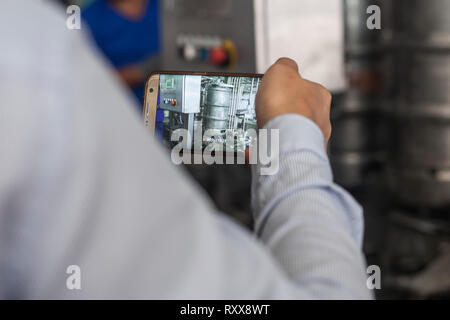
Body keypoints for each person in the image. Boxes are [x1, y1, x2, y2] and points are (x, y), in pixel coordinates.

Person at [0, 0, 371, 299]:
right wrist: (293, 134)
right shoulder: (45, 50)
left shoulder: (152, 13)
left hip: (171, 138)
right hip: (132, 156)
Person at [82, 0, 161, 106]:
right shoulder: (88, 19)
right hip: (121, 112)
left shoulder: (167, 8)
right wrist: (140, 72)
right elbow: (87, 82)